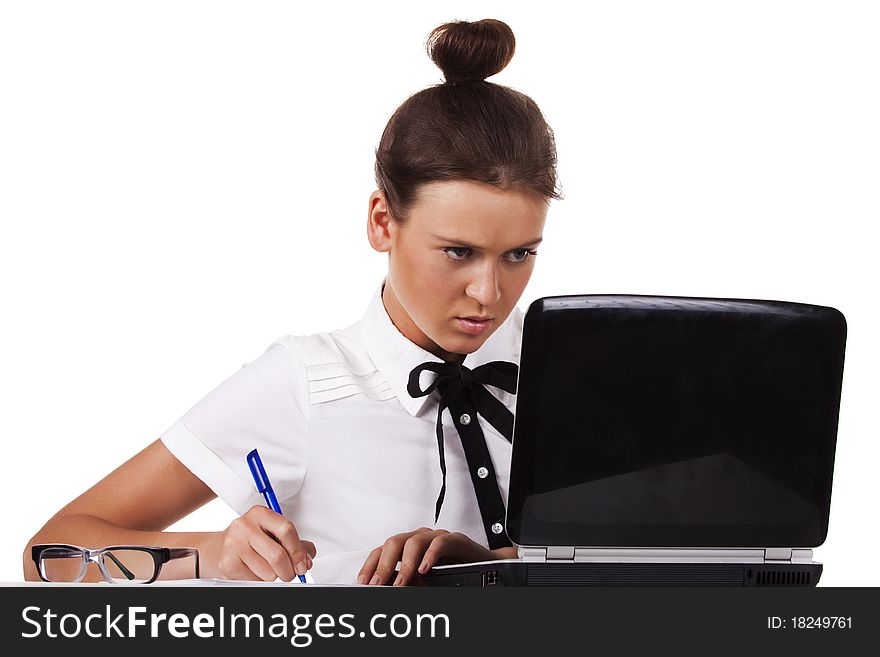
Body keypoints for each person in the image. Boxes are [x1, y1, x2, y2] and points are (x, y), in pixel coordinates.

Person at [23, 17, 561, 586]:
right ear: (383, 222)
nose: (489, 293)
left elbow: (652, 568)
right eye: (457, 252)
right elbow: (49, 557)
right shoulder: (305, 384)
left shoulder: (576, 373)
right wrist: (212, 553)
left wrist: (489, 564)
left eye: (519, 255)